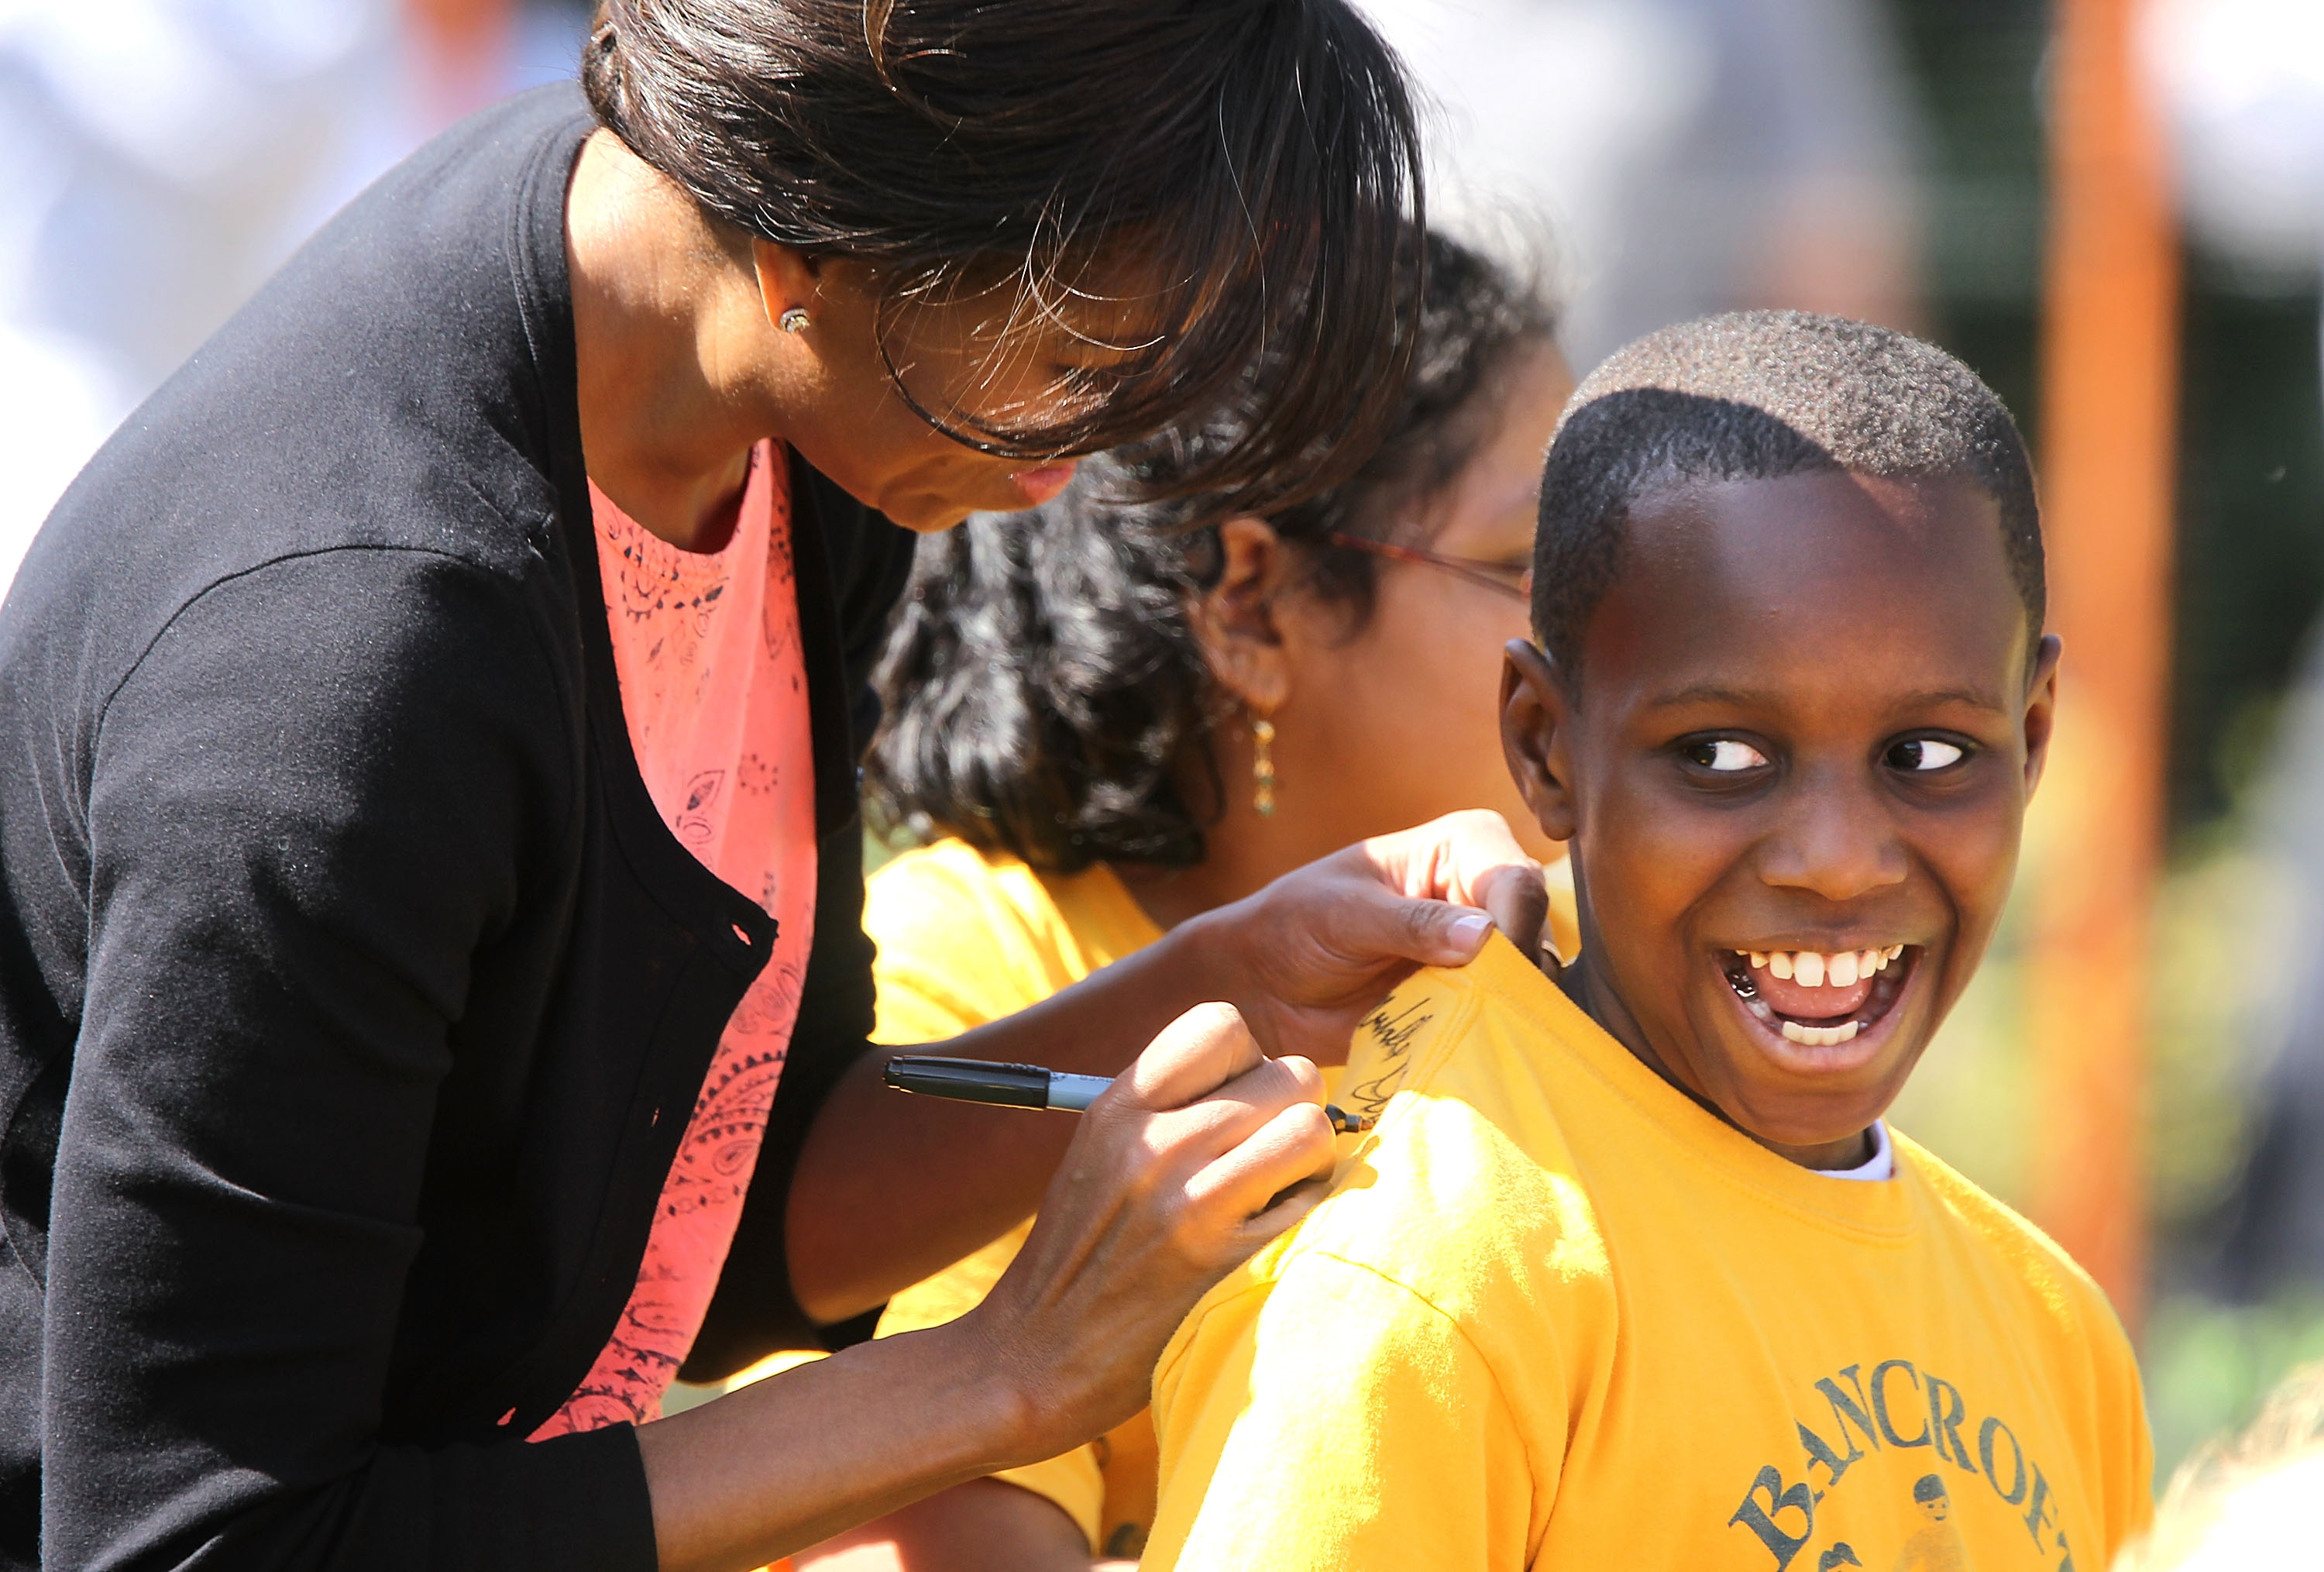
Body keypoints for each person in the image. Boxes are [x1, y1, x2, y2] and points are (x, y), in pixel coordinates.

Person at [0, 6, 1554, 1570]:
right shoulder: (345, 677)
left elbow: (730, 1196)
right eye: (1072, 369)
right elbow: (195, 1543)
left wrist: (1238, 982)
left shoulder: (753, 384)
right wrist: (996, 1374)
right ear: (815, 226)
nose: (1062, 478)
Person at [1140, 311, 2156, 1570]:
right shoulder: (1431, 1284)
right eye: (1723, 756)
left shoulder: (2055, 1332)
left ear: (2035, 734)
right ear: (1545, 746)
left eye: (1927, 756)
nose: (1838, 858)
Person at [761, 232, 1576, 1572]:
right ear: (1252, 606)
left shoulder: (1553, 950)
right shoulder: (971, 973)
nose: (1596, 634)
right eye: (1527, 562)